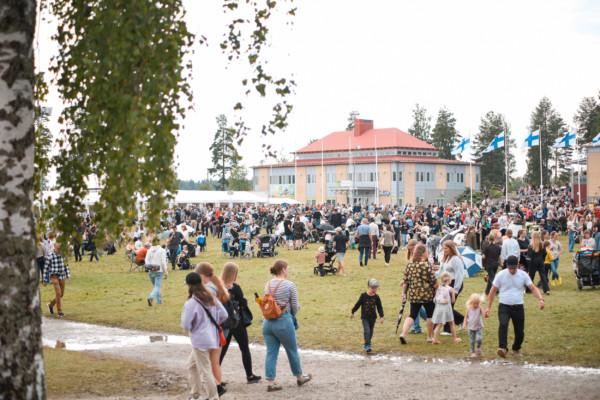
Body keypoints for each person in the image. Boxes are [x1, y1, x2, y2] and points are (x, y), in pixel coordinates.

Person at [262, 259, 312, 392]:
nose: (288, 270)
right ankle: (299, 377)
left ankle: (271, 382)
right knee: (292, 350)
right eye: (287, 268)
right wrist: (291, 315)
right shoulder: (290, 285)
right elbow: (295, 306)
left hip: (268, 322)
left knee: (271, 353)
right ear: (283, 270)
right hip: (283, 320)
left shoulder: (268, 284)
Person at [484, 255, 545, 358]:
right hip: (504, 306)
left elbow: (533, 288)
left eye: (514, 268)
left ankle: (516, 348)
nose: (512, 271)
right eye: (510, 268)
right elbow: (492, 291)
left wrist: (541, 299)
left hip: (518, 306)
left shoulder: (523, 275)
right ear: (506, 265)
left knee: (520, 331)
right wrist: (488, 307)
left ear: (518, 265)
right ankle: (503, 348)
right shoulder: (501, 275)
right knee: (503, 325)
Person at [181, 272, 228, 400]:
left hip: (200, 341)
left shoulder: (191, 303)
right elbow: (224, 314)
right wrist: (211, 325)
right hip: (213, 338)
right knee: (191, 365)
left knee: (205, 371)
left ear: (189, 286)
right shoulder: (211, 297)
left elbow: (185, 325)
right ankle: (196, 395)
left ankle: (213, 397)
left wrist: (199, 326)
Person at [219, 262, 262, 384]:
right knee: (244, 348)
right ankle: (249, 375)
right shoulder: (235, 287)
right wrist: (243, 300)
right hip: (236, 321)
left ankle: (216, 378)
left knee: (222, 350)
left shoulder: (218, 286)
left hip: (224, 321)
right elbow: (244, 303)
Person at [195, 262, 230, 396]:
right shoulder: (218, 285)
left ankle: (216, 388)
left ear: (203, 275)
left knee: (205, 364)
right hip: (219, 328)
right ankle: (218, 386)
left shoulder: (208, 289)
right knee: (215, 362)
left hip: (211, 330)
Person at [399, 244, 437, 344]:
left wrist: (404, 293)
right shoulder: (427, 265)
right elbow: (433, 281)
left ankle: (403, 334)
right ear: (423, 253)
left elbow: (405, 281)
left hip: (413, 294)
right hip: (427, 294)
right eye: (427, 252)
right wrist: (438, 288)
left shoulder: (410, 265)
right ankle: (429, 337)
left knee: (412, 315)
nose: (427, 253)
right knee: (430, 315)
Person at [436, 241, 465, 333]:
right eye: (443, 248)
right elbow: (441, 272)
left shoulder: (456, 259)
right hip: (447, 285)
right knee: (446, 306)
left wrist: (455, 290)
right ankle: (462, 320)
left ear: (451, 248)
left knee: (448, 306)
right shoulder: (446, 258)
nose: (444, 250)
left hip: (454, 284)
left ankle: (448, 330)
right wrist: (430, 274)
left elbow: (459, 275)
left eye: (446, 248)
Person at [351, 278, 384, 353]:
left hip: (373, 318)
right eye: (372, 288)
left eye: (375, 288)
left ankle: (367, 344)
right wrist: (353, 311)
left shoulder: (376, 297)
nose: (374, 290)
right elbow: (358, 304)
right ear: (368, 287)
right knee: (367, 331)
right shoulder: (363, 296)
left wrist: (381, 316)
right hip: (365, 318)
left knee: (371, 332)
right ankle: (367, 345)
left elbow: (379, 307)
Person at [431, 272, 461, 344]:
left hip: (439, 307)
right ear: (449, 280)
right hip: (447, 307)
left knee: (439, 324)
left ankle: (435, 339)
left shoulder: (439, 288)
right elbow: (453, 301)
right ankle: (455, 338)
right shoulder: (451, 289)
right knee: (451, 323)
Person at [43, 242, 71, 317]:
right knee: (58, 293)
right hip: (54, 276)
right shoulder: (50, 256)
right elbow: (45, 269)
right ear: (54, 248)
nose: (60, 250)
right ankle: (60, 312)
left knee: (61, 294)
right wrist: (44, 280)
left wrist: (68, 276)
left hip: (62, 276)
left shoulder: (63, 255)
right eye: (58, 249)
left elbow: (66, 266)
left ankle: (50, 305)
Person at [146, 238, 167, 306]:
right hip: (159, 270)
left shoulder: (149, 250)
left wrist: (150, 267)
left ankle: (159, 300)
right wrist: (166, 272)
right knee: (157, 287)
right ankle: (151, 297)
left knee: (156, 287)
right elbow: (163, 262)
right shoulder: (162, 250)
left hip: (151, 271)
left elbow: (146, 260)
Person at [462, 293, 484, 358]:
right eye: (474, 303)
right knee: (472, 341)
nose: (476, 305)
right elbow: (466, 317)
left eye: (477, 303)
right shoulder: (469, 309)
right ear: (471, 302)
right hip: (471, 328)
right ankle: (473, 352)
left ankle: (478, 347)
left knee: (479, 340)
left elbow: (484, 314)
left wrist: (486, 314)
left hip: (478, 328)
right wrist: (464, 324)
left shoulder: (480, 308)